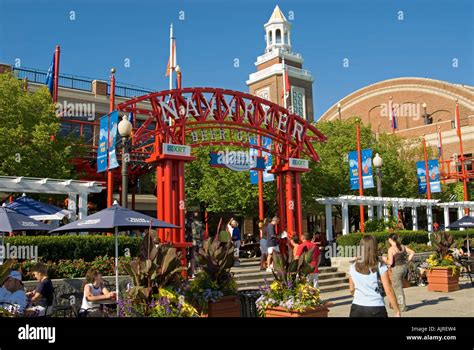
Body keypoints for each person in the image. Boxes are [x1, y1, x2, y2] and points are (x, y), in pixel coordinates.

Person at [349, 235, 400, 317]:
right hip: (375, 307)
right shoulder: (379, 266)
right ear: (374, 248)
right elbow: (389, 290)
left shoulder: (353, 266)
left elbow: (351, 289)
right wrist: (396, 310)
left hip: (356, 307)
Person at [383, 233, 414, 312]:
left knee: (398, 289)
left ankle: (402, 306)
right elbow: (412, 252)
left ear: (390, 239)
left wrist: (384, 259)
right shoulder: (402, 247)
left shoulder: (391, 249)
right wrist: (408, 260)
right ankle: (394, 304)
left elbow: (390, 262)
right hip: (404, 268)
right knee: (396, 287)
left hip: (396, 269)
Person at [190, 212, 204, 277]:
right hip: (200, 241)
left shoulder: (193, 224)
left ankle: (193, 272)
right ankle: (201, 270)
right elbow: (202, 233)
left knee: (193, 256)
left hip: (194, 241)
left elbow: (193, 233)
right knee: (200, 256)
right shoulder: (201, 224)